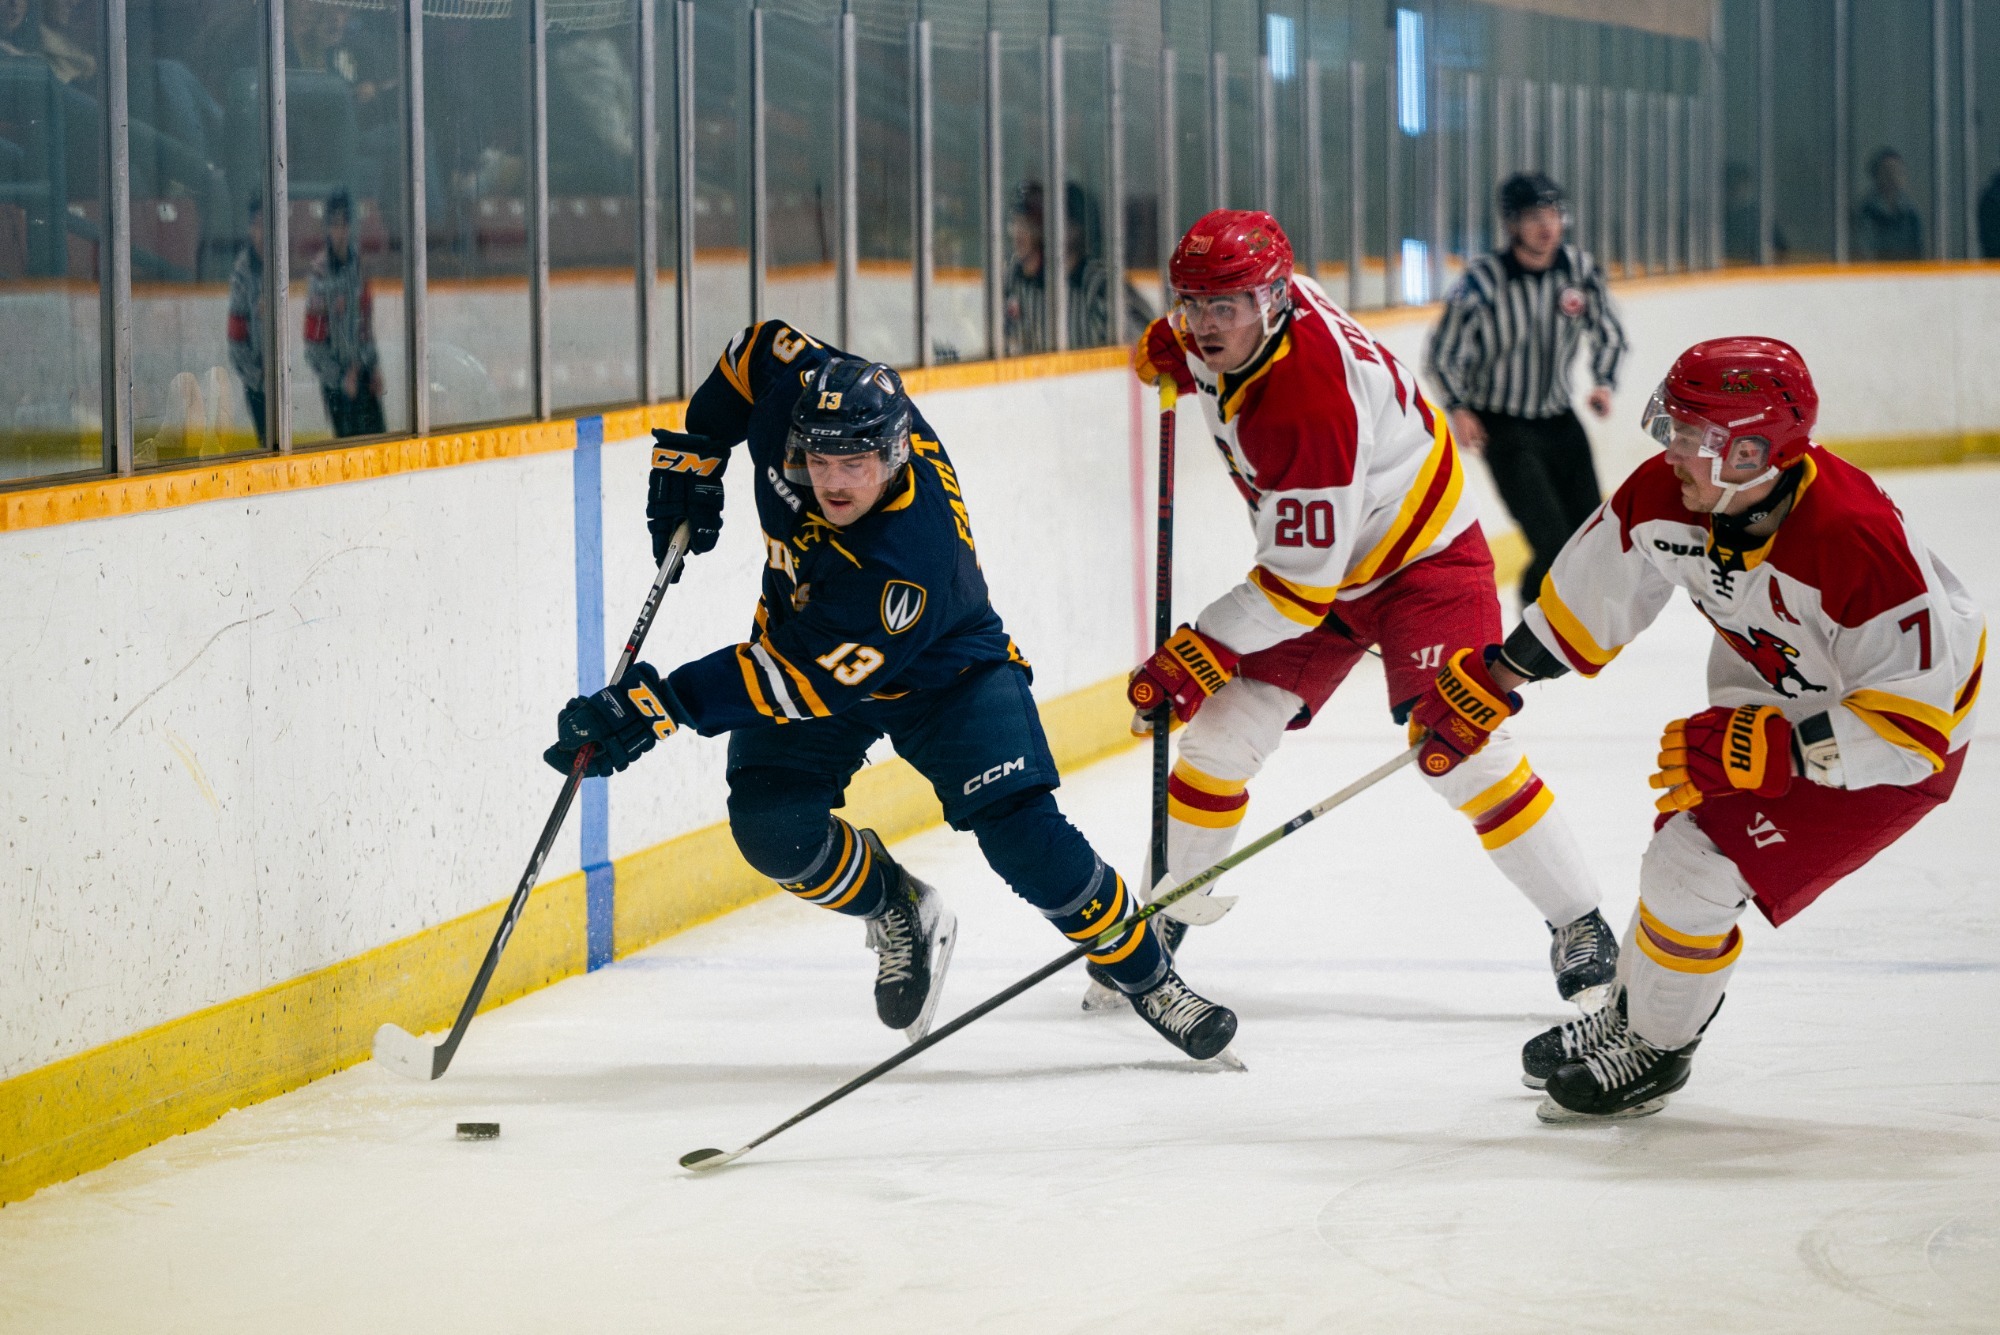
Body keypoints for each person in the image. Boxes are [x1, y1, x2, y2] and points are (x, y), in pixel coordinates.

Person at [542, 323, 1240, 1062]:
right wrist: (700, 446)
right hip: (807, 646)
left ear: (895, 450)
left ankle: (1149, 975)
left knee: (1023, 837)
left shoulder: (909, 557)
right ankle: (897, 906)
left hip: (947, 672)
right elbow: (757, 349)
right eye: (818, 459)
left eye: (855, 462)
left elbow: (796, 681)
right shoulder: (805, 395)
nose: (833, 482)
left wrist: (661, 704)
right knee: (771, 825)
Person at [1413, 337, 1983, 1122]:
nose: (1669, 448)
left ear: (1751, 452)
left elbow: (1924, 715)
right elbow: (1593, 595)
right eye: (1670, 423)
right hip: (1780, 704)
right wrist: (1495, 679)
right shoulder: (1669, 496)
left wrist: (1782, 749)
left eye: (1692, 434)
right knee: (1681, 842)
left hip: (1890, 742)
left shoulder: (1854, 538)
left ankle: (1656, 1046)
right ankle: (1633, 1014)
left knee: (1699, 865)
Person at [1121, 208, 1617, 1014]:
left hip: (1423, 564)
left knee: (1457, 738)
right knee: (1222, 733)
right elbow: (1304, 577)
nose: (1206, 324)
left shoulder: (1303, 402)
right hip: (1326, 569)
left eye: (1226, 306)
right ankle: (1157, 925)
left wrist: (1196, 650)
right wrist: (1185, 346)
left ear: (1276, 299)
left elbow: (1291, 592)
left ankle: (1581, 920)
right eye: (1193, 304)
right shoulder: (1266, 316)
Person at [1427, 172, 1627, 609]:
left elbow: (1609, 333)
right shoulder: (1483, 279)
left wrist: (1603, 383)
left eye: (1553, 213)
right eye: (1535, 216)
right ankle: (1536, 618)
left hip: (1560, 420)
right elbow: (1442, 354)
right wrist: (1459, 408)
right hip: (1505, 427)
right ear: (1512, 224)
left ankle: (1552, 615)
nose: (1547, 225)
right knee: (1552, 538)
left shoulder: (1579, 269)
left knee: (1589, 535)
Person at [1002, 181, 1152, 355]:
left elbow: (1152, 341)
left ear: (1078, 230)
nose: (1050, 229)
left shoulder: (1098, 285)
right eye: (1017, 223)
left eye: (1029, 224)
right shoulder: (1016, 279)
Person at [303, 188, 385, 439]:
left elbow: (366, 328)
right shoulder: (320, 275)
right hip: (339, 388)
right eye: (335, 225)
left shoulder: (358, 268)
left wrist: (373, 366)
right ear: (327, 229)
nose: (340, 231)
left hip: (362, 377)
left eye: (345, 223)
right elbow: (313, 346)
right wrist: (340, 379)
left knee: (379, 447)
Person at [225, 192, 268, 448]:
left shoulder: (284, 262)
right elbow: (236, 340)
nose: (263, 231)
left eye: (267, 223)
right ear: (251, 228)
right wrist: (259, 378)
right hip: (259, 382)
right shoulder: (243, 273)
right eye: (258, 224)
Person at [1852, 148, 1924, 261]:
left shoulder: (1911, 214)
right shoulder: (1864, 213)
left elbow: (1918, 253)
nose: (1893, 176)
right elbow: (1864, 253)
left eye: (1898, 171)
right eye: (1887, 171)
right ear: (1876, 176)